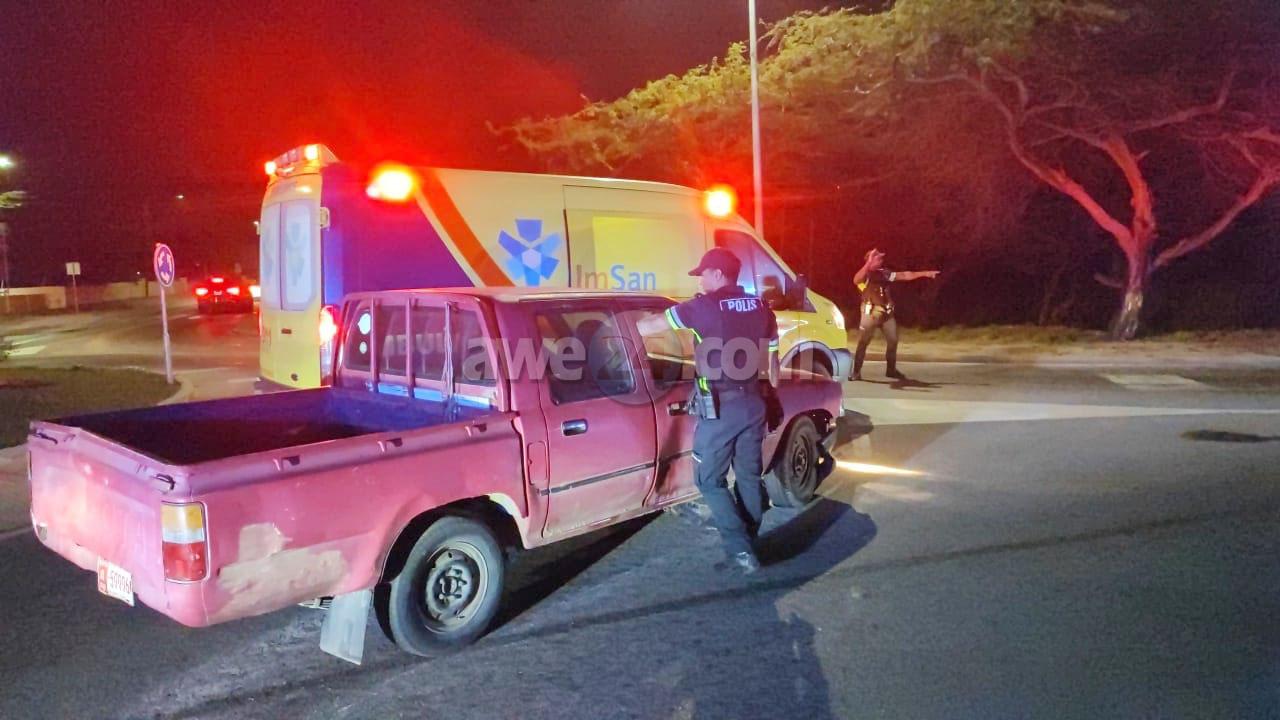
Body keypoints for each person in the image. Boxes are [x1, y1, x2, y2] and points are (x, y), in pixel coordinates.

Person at [637, 248, 780, 574]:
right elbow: (774, 362)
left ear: (717, 273)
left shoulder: (702, 307)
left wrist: (620, 323)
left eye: (702, 274)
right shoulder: (761, 307)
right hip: (754, 403)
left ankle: (740, 550)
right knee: (748, 476)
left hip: (721, 409)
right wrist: (771, 398)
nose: (699, 280)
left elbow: (649, 328)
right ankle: (750, 542)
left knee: (709, 480)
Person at [850, 248, 940, 381]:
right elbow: (856, 280)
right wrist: (868, 263)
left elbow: (904, 275)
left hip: (887, 314)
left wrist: (925, 273)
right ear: (870, 260)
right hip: (871, 314)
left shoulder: (884, 273)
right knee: (863, 342)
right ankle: (856, 372)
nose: (881, 260)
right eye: (877, 258)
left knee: (893, 341)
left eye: (881, 258)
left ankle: (891, 370)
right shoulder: (866, 274)